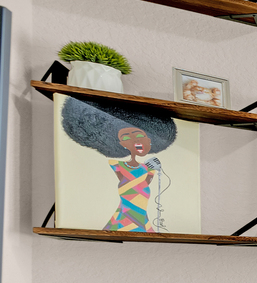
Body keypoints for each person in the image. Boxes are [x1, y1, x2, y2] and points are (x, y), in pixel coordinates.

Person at [59, 98, 177, 231]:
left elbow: (143, 182)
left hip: (139, 213)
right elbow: (132, 181)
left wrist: (151, 170)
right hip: (129, 214)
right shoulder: (118, 165)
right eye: (127, 138)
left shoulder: (141, 166)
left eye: (140, 137)